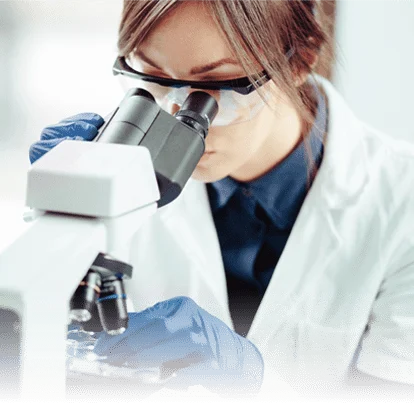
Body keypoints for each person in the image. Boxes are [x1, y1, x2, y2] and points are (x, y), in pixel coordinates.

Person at [29, 0, 414, 400]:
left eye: (215, 86)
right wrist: (58, 216)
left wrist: (259, 384)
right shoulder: (127, 171)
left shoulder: (402, 199)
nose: (177, 112)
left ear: (300, 61)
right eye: (154, 76)